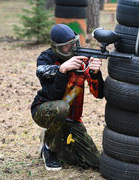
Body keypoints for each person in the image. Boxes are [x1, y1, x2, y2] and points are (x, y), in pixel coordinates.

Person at [31, 24, 104, 171]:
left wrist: (96, 73)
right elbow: (52, 95)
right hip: (44, 110)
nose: (72, 48)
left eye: (73, 43)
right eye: (66, 46)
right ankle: (49, 148)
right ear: (57, 47)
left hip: (71, 119)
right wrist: (62, 70)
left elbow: (99, 94)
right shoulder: (46, 58)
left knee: (95, 162)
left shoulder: (82, 58)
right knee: (62, 108)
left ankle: (56, 142)